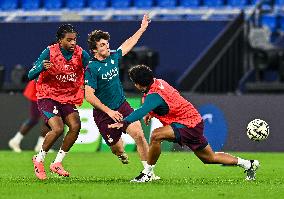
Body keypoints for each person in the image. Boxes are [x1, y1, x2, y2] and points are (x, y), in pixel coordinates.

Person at [108, 65, 260, 182]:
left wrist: (125, 122)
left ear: (138, 84)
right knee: (209, 158)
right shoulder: (159, 82)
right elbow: (158, 103)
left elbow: (142, 110)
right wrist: (150, 112)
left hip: (187, 124)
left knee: (156, 135)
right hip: (194, 121)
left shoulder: (154, 94)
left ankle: (147, 173)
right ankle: (248, 164)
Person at [85, 14, 159, 179]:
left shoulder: (112, 57)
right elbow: (88, 96)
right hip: (104, 114)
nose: (106, 47)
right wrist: (109, 112)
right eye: (102, 45)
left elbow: (128, 44)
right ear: (95, 50)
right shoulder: (92, 68)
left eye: (107, 43)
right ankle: (120, 152)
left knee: (139, 134)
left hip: (122, 106)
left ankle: (148, 173)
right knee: (117, 148)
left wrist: (142, 29)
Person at [28, 24, 90, 180]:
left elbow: (92, 68)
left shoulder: (81, 54)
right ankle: (39, 159)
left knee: (76, 126)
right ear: (60, 40)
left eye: (74, 39)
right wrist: (41, 67)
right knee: (57, 128)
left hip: (68, 97)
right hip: (47, 96)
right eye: (69, 40)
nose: (73, 43)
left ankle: (57, 163)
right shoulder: (49, 52)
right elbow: (30, 74)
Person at [8, 80, 50, 153]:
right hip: (38, 89)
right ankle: (15, 141)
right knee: (34, 118)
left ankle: (40, 145)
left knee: (48, 119)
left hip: (49, 91)